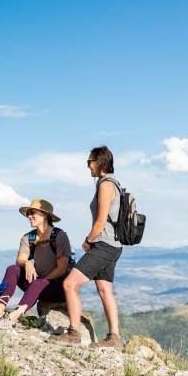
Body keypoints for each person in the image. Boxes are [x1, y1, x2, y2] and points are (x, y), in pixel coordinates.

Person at [51, 146, 124, 348]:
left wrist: (88, 240)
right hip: (114, 245)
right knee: (104, 289)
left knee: (69, 284)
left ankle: (73, 333)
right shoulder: (113, 184)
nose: (88, 167)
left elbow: (100, 222)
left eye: (89, 162)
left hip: (103, 245)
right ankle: (115, 337)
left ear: (98, 162)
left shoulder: (105, 185)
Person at [0, 198, 72, 330]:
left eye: (33, 213)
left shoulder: (59, 236)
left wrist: (40, 282)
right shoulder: (29, 237)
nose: (29, 216)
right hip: (38, 285)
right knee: (13, 269)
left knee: (38, 282)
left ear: (45, 215)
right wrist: (27, 263)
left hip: (59, 286)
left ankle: (13, 317)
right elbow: (20, 260)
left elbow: (61, 269)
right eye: (28, 214)